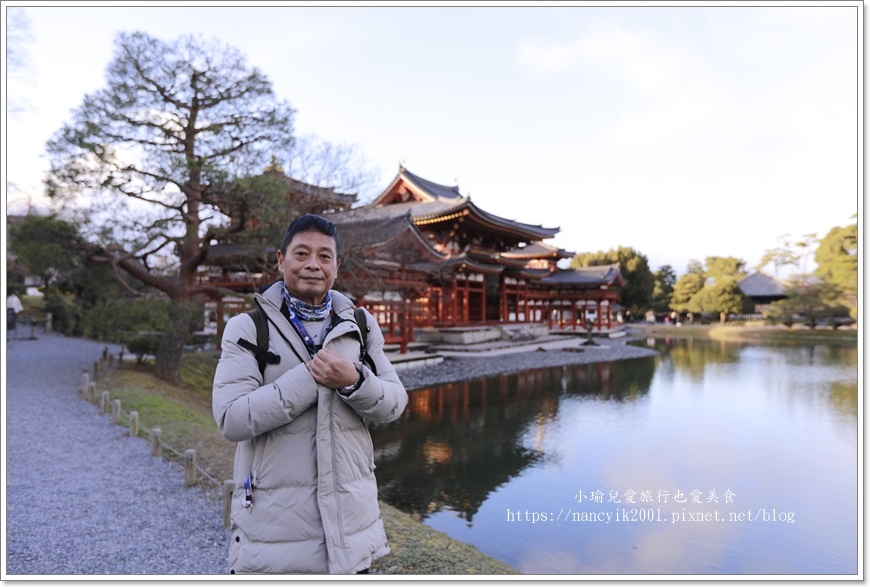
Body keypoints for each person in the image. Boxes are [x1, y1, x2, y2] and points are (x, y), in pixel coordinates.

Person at [212, 214, 408, 575]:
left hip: (351, 535)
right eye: (301, 254)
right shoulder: (248, 328)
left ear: (337, 265)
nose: (313, 265)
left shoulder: (360, 326)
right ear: (280, 260)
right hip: (274, 539)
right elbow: (231, 419)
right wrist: (310, 378)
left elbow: (395, 403)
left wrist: (354, 380)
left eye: (324, 256)